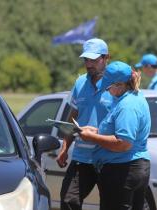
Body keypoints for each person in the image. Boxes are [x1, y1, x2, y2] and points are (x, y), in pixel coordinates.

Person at [79, 61, 151, 210]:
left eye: (108, 87)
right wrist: (95, 131)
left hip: (123, 170)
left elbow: (123, 143)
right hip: (133, 167)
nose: (107, 91)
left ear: (119, 85)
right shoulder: (132, 97)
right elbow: (116, 130)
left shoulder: (127, 106)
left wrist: (91, 137)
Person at [56, 38, 112, 210]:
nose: (89, 64)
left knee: (110, 205)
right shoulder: (80, 83)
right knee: (68, 200)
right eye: (86, 60)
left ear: (105, 58)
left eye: (94, 60)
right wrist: (65, 147)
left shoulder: (116, 84)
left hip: (109, 158)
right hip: (82, 157)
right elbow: (74, 115)